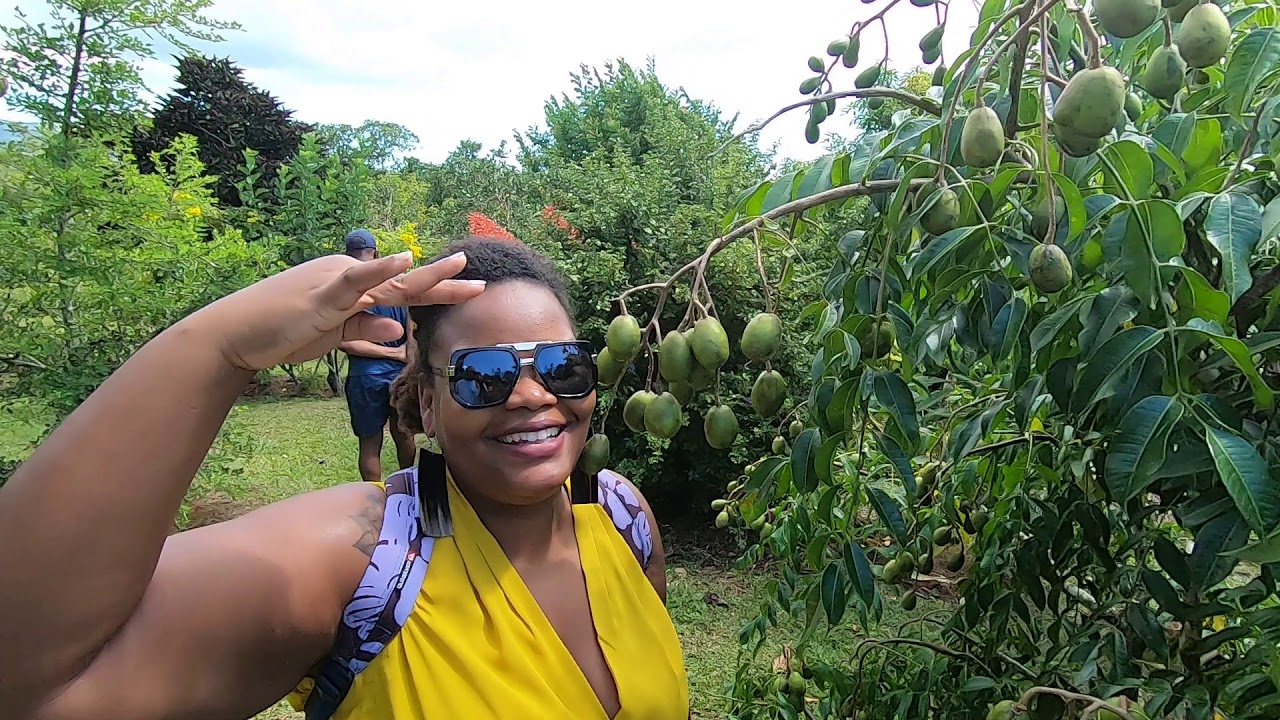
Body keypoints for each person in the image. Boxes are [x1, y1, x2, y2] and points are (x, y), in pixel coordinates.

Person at [0, 236, 691, 720]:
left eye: (563, 366)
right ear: (427, 402)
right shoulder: (370, 557)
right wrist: (219, 348)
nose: (534, 396)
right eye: (487, 376)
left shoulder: (620, 516)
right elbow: (34, 685)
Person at [338, 228, 417, 482]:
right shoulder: (398, 282)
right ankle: (407, 489)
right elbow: (413, 326)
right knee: (403, 433)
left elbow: (345, 342)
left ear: (347, 254)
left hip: (365, 377)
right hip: (400, 373)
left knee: (370, 444)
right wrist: (405, 356)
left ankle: (375, 496)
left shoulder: (345, 288)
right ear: (376, 253)